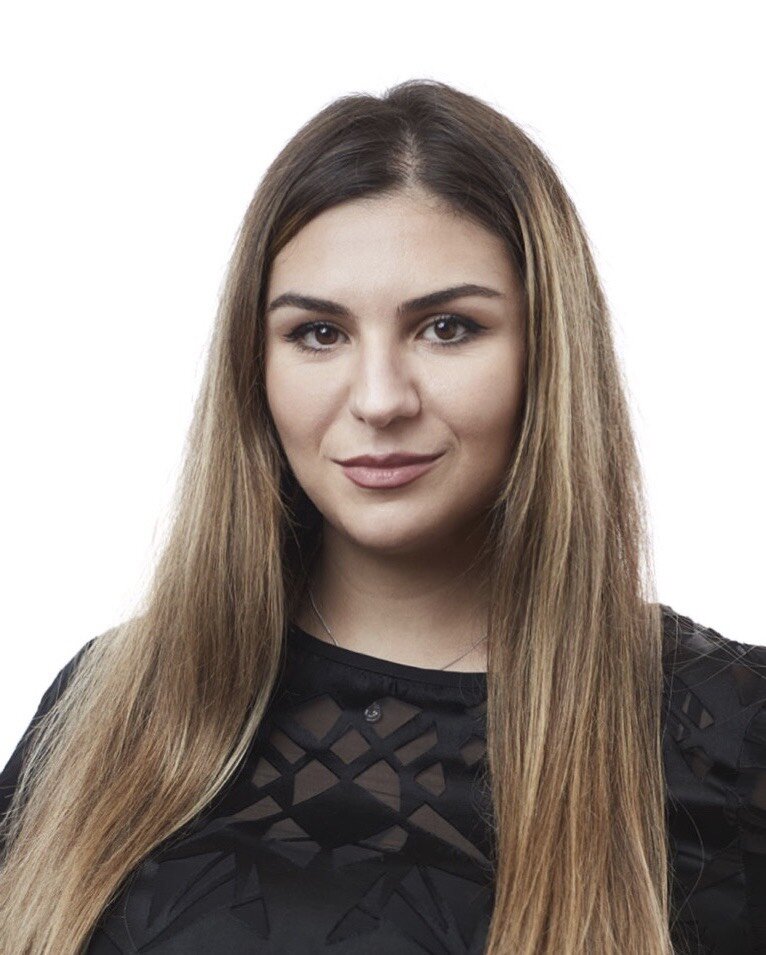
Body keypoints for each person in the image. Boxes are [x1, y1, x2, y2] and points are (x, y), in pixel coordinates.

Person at [0, 78, 764, 955]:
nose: (378, 399)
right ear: (256, 366)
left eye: (447, 327)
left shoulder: (731, 735)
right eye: (319, 333)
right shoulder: (113, 702)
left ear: (548, 354)